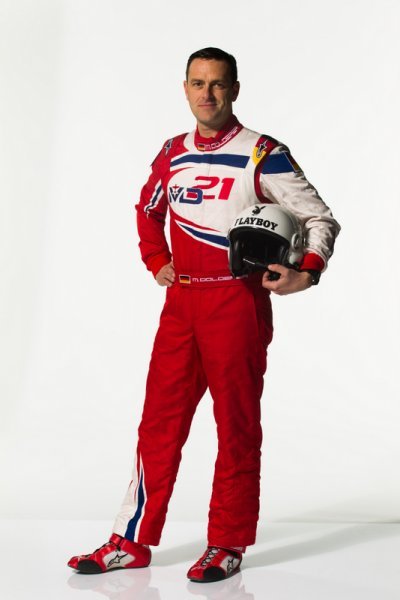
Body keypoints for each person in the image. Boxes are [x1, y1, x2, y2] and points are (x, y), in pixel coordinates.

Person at [68, 47, 340, 582]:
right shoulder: (173, 152)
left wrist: (307, 271)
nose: (207, 94)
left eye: (217, 84)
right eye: (198, 83)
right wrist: (157, 260)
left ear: (234, 89)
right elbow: (148, 210)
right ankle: (131, 540)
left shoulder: (262, 152)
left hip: (236, 303)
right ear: (185, 88)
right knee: (158, 425)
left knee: (235, 426)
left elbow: (319, 217)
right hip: (181, 305)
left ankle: (227, 542)